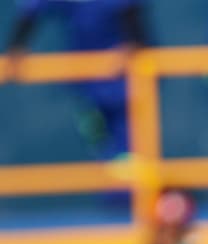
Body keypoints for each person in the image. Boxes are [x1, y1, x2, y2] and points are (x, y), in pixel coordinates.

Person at [3, 0, 145, 158]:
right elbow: (31, 11)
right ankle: (116, 173)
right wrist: (16, 47)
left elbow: (133, 24)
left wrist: (132, 45)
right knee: (99, 139)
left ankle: (130, 176)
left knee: (132, 141)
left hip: (123, 83)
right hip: (87, 84)